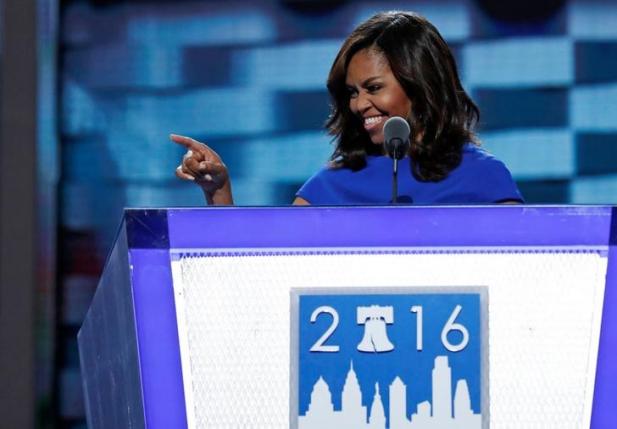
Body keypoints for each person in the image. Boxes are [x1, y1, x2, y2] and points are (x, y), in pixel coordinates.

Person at [173, 11, 523, 205]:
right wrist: (218, 192)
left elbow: (525, 280)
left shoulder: (485, 179)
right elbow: (261, 274)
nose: (358, 104)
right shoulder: (331, 186)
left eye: (373, 88)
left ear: (422, 85)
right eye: (352, 92)